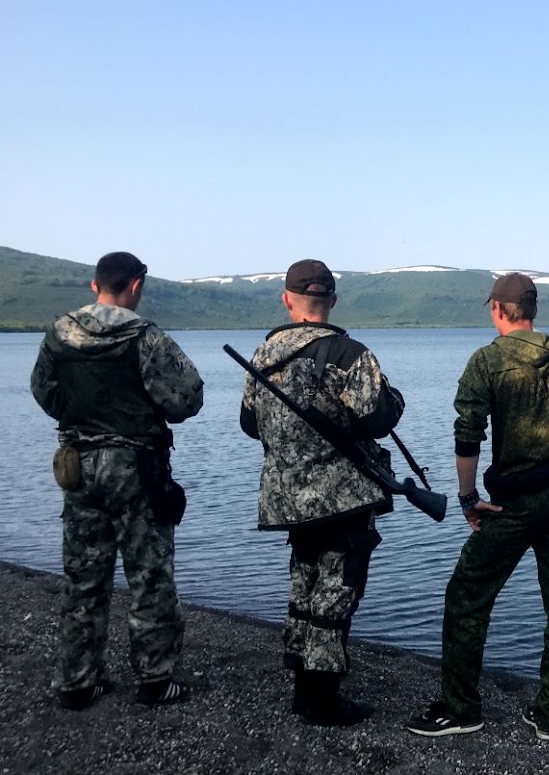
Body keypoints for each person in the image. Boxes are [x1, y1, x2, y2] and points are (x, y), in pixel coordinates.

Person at [406, 272, 549, 741]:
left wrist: (468, 497)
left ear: (498, 309)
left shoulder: (486, 362)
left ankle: (461, 709)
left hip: (513, 503)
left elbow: (467, 435)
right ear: (531, 311)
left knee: (467, 596)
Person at [30, 251, 204, 710]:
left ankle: (77, 681)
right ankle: (154, 680)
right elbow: (187, 399)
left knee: (83, 574)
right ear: (137, 284)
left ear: (95, 285)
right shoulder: (146, 338)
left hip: (78, 465)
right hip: (136, 468)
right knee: (149, 575)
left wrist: (81, 420)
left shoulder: (59, 334)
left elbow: (44, 391)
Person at [239, 258, 405, 727]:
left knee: (304, 581)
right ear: (331, 300)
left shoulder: (262, 354)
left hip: (286, 497)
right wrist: (394, 400)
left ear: (287, 300)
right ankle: (321, 697)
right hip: (343, 497)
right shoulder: (350, 354)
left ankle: (302, 676)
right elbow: (380, 418)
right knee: (338, 590)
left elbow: (250, 425)